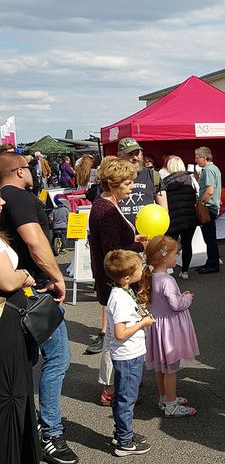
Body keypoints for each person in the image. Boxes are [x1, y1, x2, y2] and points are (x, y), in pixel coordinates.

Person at [0, 151, 78, 464]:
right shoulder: (16, 197)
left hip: (23, 294)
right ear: (19, 171)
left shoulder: (5, 199)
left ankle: (30, 425)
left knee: (28, 359)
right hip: (36, 293)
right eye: (30, 167)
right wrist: (57, 276)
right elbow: (35, 242)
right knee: (57, 358)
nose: (33, 171)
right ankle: (51, 433)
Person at [88, 157, 145, 405]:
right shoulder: (107, 210)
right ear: (113, 184)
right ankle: (111, 388)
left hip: (114, 279)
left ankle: (119, 383)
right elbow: (114, 252)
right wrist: (139, 244)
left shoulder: (106, 204)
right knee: (115, 338)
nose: (131, 187)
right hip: (114, 281)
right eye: (128, 183)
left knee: (115, 335)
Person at [0, 194, 40, 464]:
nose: (2, 202)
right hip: (5, 319)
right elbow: (7, 281)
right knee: (10, 391)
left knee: (14, 388)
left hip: (12, 315)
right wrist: (25, 274)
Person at [137, 235, 199, 417]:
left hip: (158, 328)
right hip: (170, 330)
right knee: (171, 368)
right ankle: (171, 405)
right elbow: (177, 305)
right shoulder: (167, 280)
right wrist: (187, 297)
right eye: (175, 254)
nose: (177, 256)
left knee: (161, 367)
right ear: (164, 256)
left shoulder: (151, 277)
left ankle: (164, 397)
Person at [103, 249, 155, 456]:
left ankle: (122, 433)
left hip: (127, 355)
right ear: (126, 277)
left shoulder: (122, 292)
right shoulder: (120, 299)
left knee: (122, 397)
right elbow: (120, 333)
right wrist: (143, 323)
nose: (142, 270)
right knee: (127, 398)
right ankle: (125, 442)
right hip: (128, 355)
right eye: (139, 268)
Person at [116, 138, 168, 226]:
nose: (135, 158)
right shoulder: (112, 178)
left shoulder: (153, 176)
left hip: (149, 233)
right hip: (121, 235)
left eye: (137, 153)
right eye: (130, 154)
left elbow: (164, 210)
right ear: (119, 155)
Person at [162, 156, 198, 280]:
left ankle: (166, 269)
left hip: (173, 217)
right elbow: (196, 196)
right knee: (187, 244)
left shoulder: (166, 181)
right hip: (189, 217)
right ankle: (185, 271)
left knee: (169, 245)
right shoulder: (191, 179)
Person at [195, 146, 222, 274]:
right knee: (209, 238)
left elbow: (210, 190)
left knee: (210, 238)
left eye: (197, 157)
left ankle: (213, 264)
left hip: (208, 207)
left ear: (205, 158)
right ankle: (210, 262)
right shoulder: (212, 169)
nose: (196, 160)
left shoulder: (209, 170)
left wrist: (201, 202)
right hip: (210, 207)